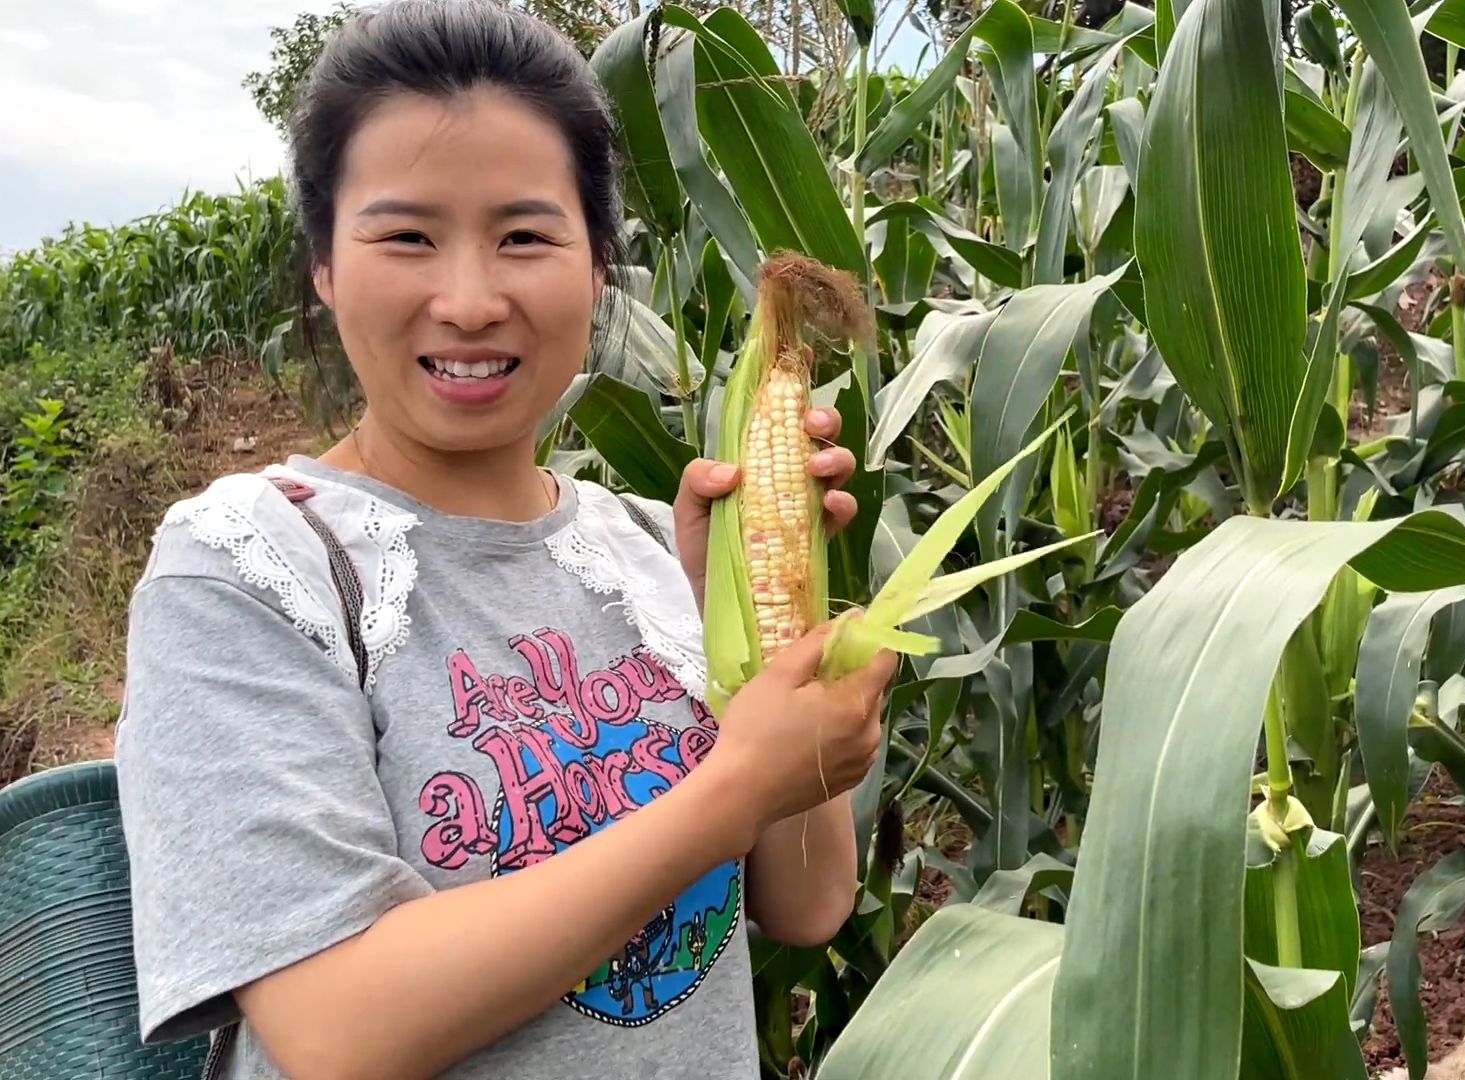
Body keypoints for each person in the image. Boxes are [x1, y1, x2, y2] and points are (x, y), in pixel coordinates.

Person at [113, 3, 896, 1078]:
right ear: (326, 268)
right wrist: (734, 789)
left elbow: (807, 904)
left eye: (526, 236)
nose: (471, 301)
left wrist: (765, 629)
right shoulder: (245, 566)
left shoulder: (642, 551)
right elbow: (335, 1027)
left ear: (595, 266)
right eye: (406, 237)